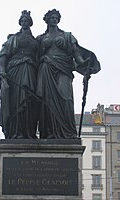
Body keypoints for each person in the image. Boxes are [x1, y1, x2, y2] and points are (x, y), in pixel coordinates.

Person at [36, 9, 100, 139]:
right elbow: (34, 57)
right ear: (47, 20)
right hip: (46, 68)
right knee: (47, 102)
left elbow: (76, 54)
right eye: (52, 18)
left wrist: (84, 64)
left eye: (56, 18)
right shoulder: (40, 38)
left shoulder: (67, 36)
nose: (54, 20)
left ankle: (67, 133)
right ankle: (49, 132)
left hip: (63, 68)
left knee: (66, 99)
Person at [0, 10, 38, 139]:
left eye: (26, 21)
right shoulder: (14, 38)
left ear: (30, 23)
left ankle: (29, 132)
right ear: (20, 23)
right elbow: (2, 55)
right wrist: (2, 71)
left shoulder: (35, 41)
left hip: (31, 72)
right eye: (22, 21)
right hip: (15, 71)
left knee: (30, 101)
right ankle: (16, 131)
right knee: (16, 101)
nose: (24, 23)